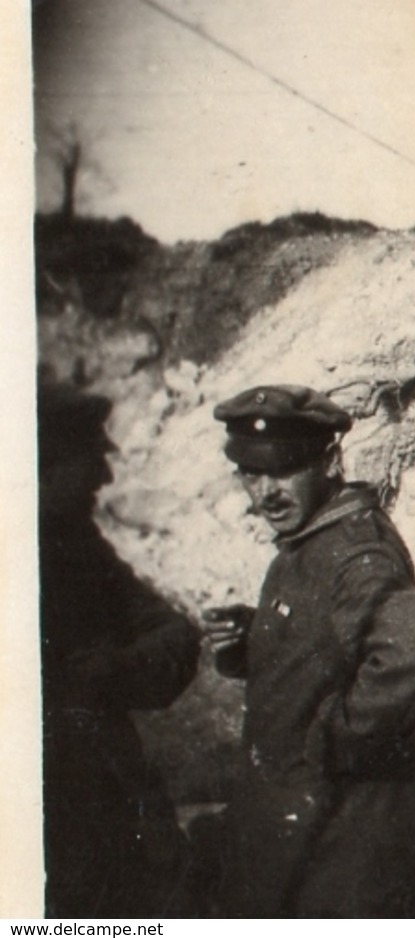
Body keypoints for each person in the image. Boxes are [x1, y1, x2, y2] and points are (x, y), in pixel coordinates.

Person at [203, 385, 415, 916]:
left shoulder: (357, 552)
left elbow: (412, 665)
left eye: (285, 469)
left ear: (330, 461)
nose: (266, 491)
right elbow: (332, 642)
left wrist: (328, 744)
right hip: (306, 821)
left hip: (349, 832)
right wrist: (255, 639)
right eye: (251, 473)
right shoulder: (311, 538)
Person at [39, 382, 201, 917]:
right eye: (89, 460)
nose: (105, 478)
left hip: (107, 804)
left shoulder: (74, 545)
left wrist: (116, 668)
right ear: (37, 467)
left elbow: (170, 631)